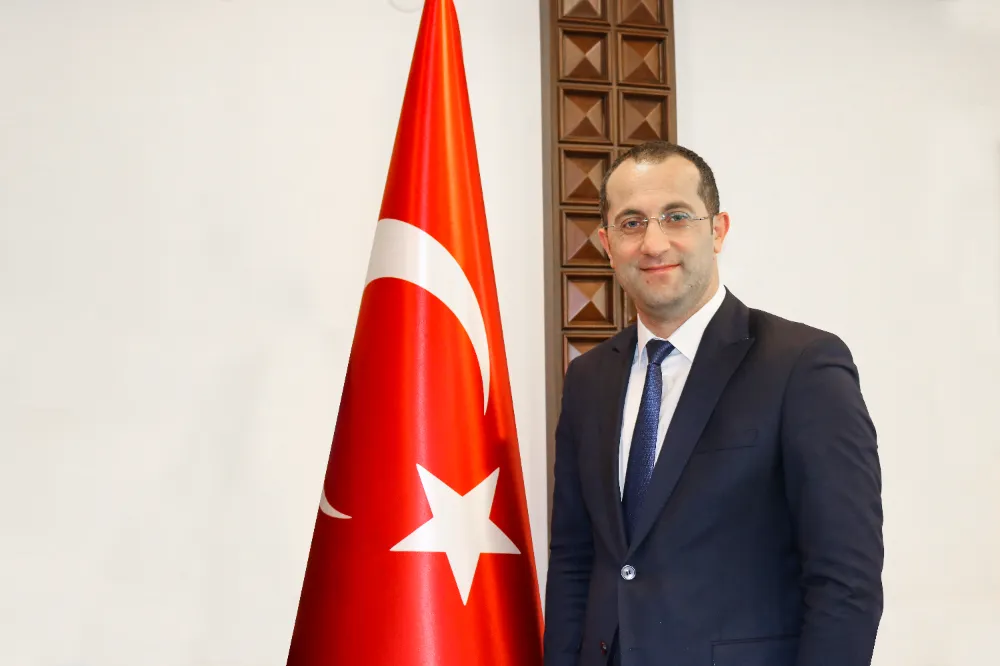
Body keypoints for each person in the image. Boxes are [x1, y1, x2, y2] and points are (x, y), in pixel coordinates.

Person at [543, 140, 883, 666]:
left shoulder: (802, 366)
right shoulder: (589, 379)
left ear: (718, 230)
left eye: (676, 217)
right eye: (632, 223)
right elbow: (574, 558)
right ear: (607, 244)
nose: (654, 243)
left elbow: (846, 580)